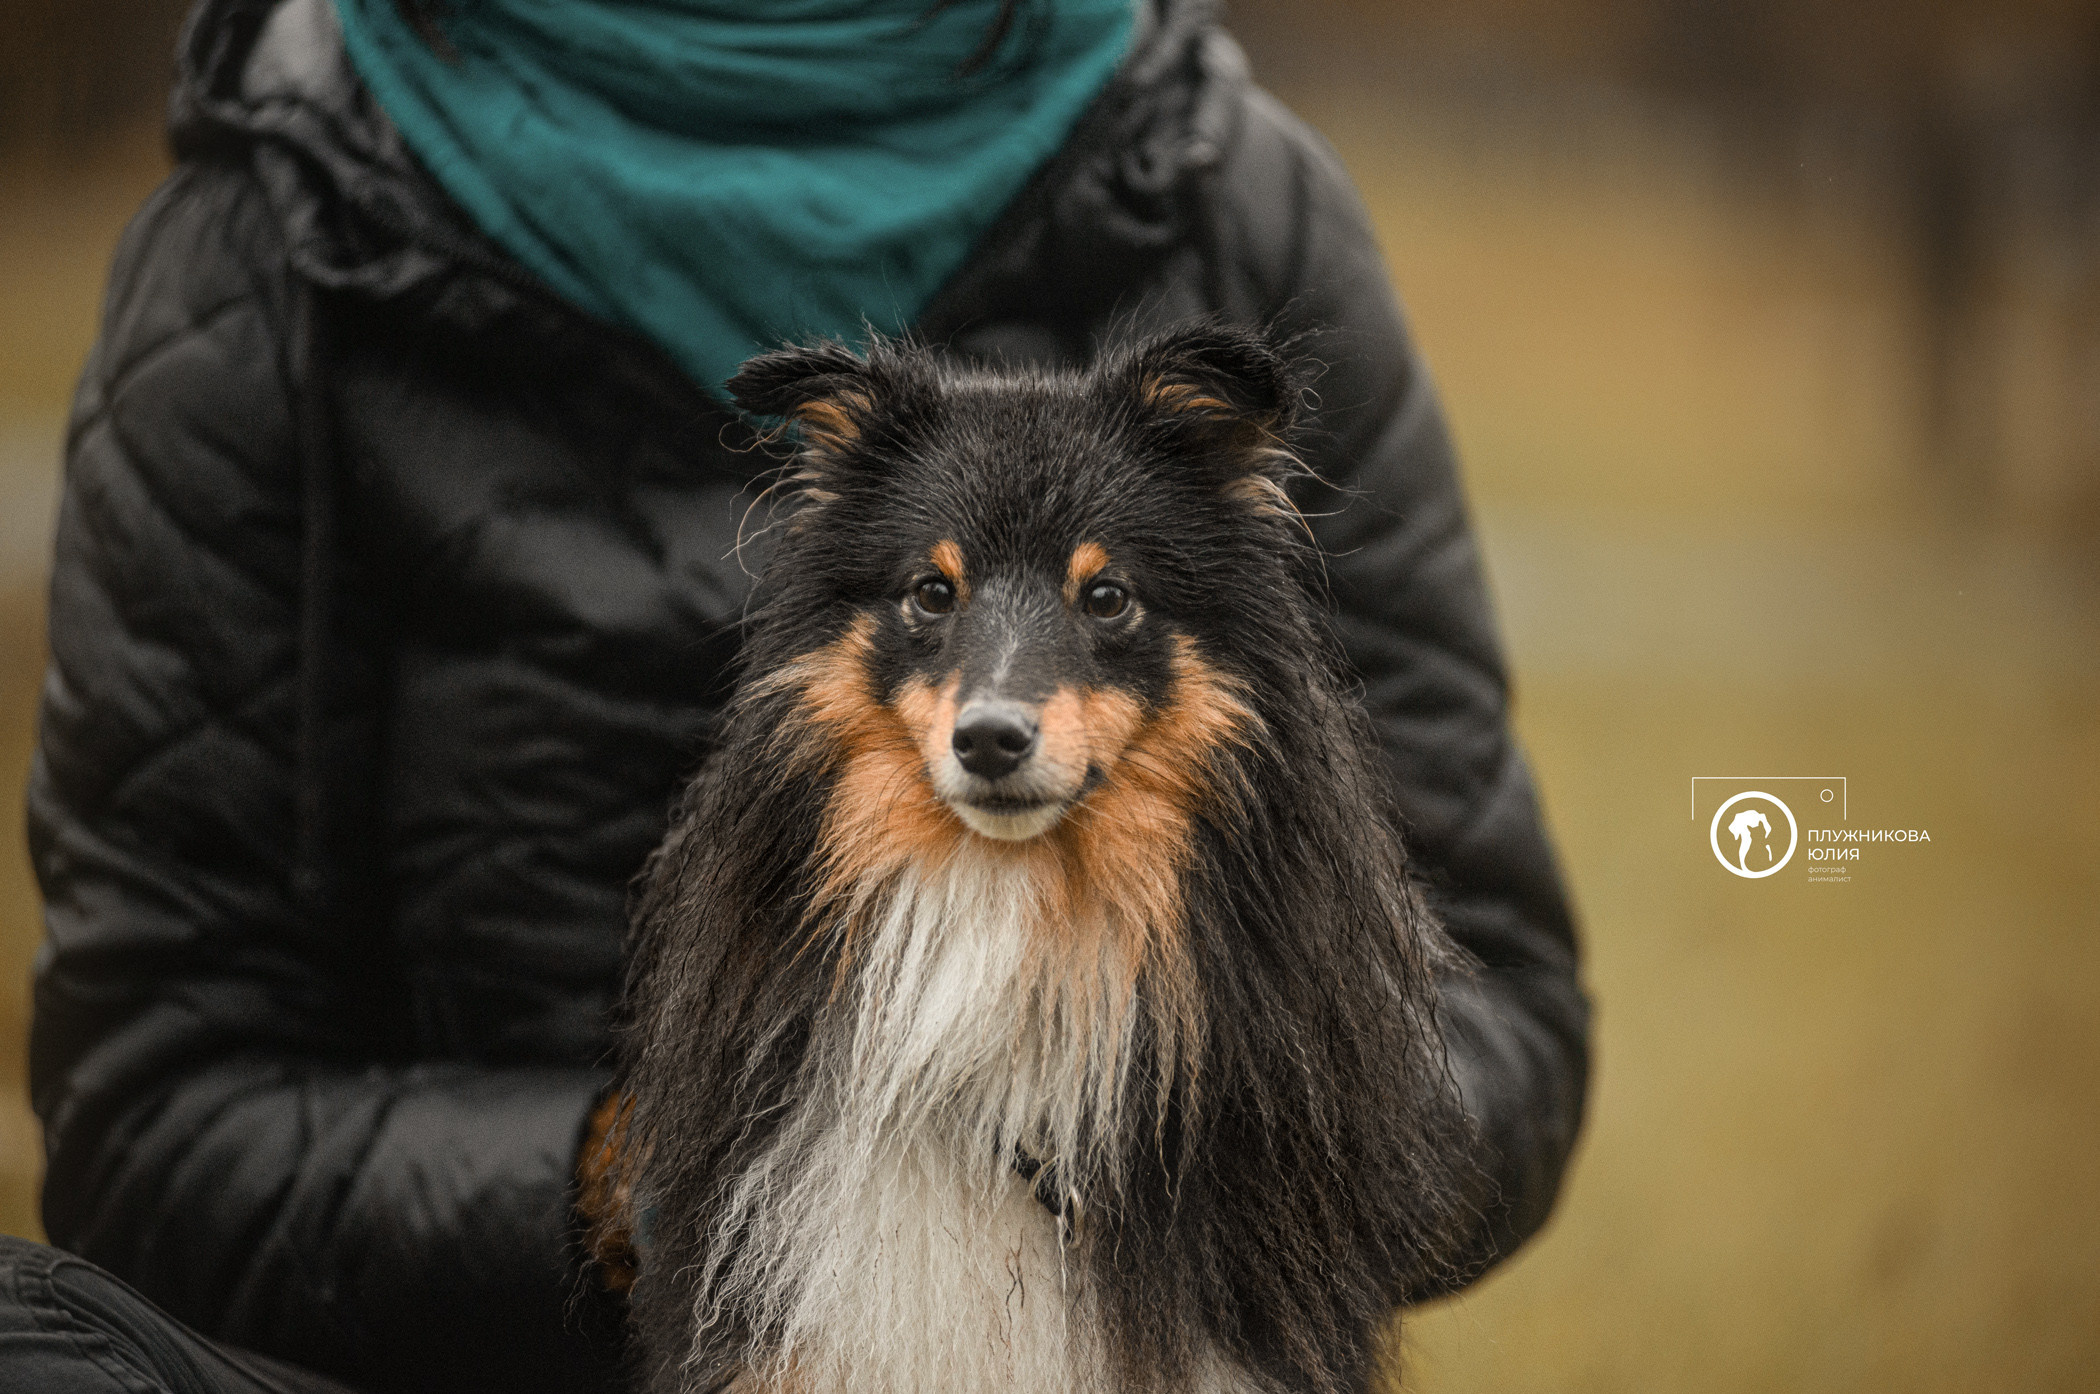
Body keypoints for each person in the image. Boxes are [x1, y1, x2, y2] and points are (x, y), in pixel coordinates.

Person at [6, 0, 1592, 1390]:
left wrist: (1204, 1128)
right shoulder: (261, 244)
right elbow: (150, 1113)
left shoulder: (1238, 204)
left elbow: (1499, 1010)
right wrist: (650, 1181)